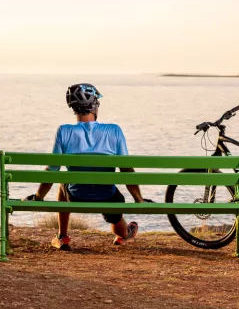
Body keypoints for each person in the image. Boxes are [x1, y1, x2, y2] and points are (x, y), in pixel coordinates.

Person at [25, 83, 147, 250]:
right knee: (117, 214)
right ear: (95, 106)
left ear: (73, 108)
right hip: (107, 195)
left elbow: (52, 171)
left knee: (62, 182)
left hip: (76, 195)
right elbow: (126, 169)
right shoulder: (114, 130)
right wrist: (138, 199)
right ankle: (124, 234)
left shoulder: (64, 131)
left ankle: (63, 236)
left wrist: (38, 197)